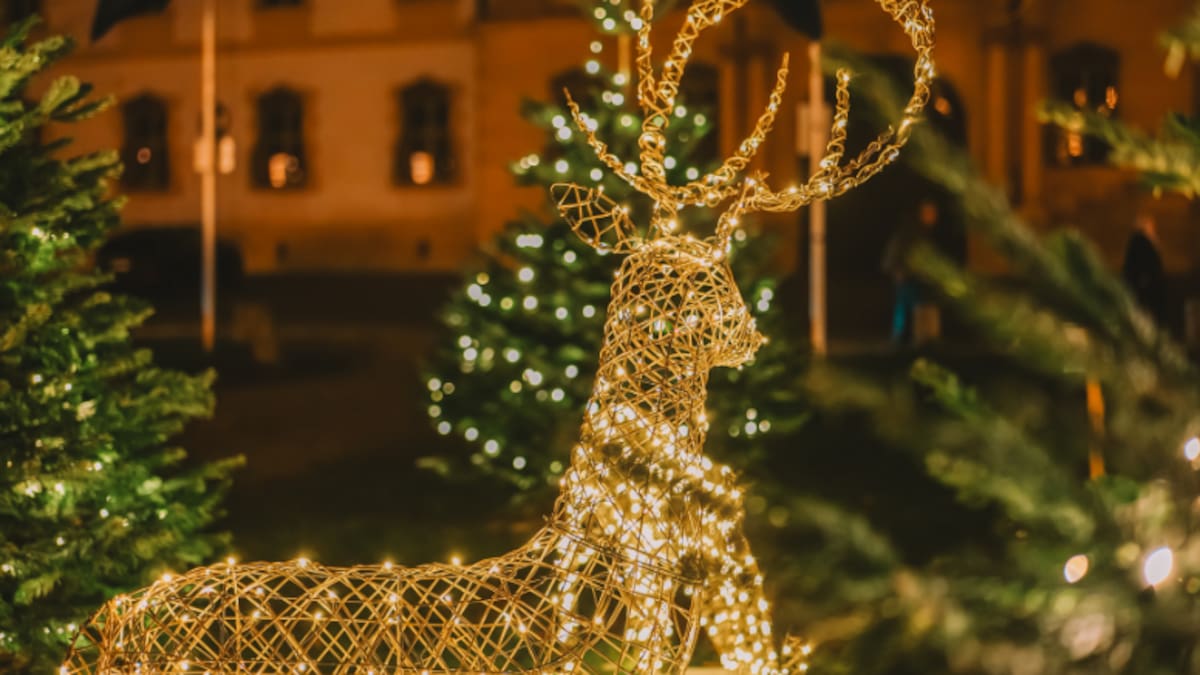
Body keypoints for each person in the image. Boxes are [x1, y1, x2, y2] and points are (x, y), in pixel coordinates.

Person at [883, 199, 938, 345]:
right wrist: (897, 269)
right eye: (928, 213)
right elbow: (899, 250)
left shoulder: (923, 232)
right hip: (906, 274)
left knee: (916, 304)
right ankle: (902, 336)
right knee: (906, 304)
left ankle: (917, 336)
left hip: (915, 275)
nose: (932, 216)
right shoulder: (911, 231)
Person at [1122, 210, 1168, 324]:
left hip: (1144, 287)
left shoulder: (1142, 241)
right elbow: (1146, 264)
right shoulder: (1141, 241)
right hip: (1146, 288)